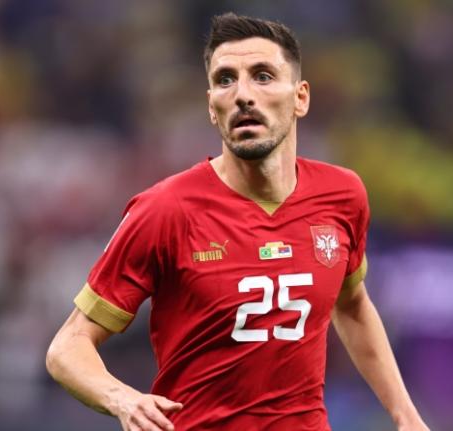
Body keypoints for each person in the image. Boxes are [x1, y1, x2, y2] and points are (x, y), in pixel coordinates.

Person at [46, 12, 430, 431]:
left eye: (262, 76)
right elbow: (67, 347)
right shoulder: (164, 210)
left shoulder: (343, 195)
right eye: (225, 80)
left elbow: (352, 304)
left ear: (300, 98)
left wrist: (405, 415)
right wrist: (123, 399)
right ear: (212, 107)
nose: (243, 94)